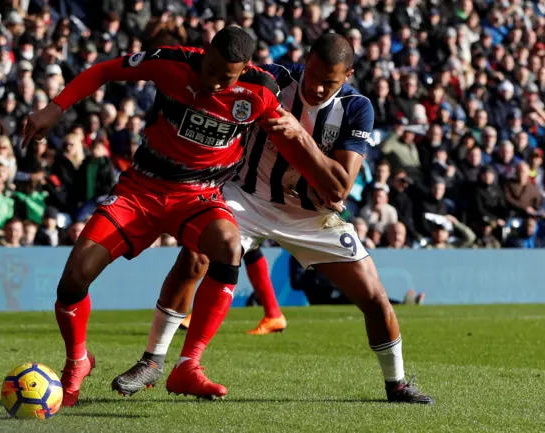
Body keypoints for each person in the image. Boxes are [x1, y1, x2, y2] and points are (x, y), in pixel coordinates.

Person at [22, 27, 342, 406]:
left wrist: (326, 186)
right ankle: (78, 362)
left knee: (227, 246)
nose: (212, 82)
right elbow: (104, 71)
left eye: (225, 78)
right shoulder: (172, 62)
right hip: (140, 190)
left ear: (243, 71)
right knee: (73, 278)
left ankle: (188, 365)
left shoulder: (260, 92)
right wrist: (54, 107)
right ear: (203, 54)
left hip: (198, 197)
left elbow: (293, 145)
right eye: (209, 70)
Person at [112, 33, 434, 404]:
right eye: (312, 74)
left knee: (375, 299)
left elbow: (340, 187)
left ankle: (396, 384)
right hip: (245, 198)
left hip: (310, 218)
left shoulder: (357, 108)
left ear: (348, 75)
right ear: (306, 60)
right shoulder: (274, 79)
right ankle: (153, 360)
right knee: (194, 257)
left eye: (328, 81)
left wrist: (301, 136)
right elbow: (218, 75)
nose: (315, 86)